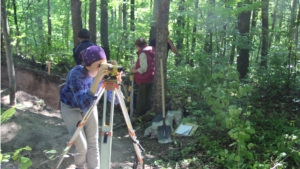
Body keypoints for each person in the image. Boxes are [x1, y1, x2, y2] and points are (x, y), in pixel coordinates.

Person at [60, 45, 120, 169]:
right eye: (98, 66)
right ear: (87, 66)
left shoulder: (104, 74)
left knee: (93, 142)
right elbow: (83, 104)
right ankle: (80, 167)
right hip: (71, 107)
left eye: (103, 65)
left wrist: (115, 82)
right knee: (82, 146)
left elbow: (114, 101)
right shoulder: (76, 74)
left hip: (90, 106)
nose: (102, 69)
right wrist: (97, 79)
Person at [130, 38, 155, 117]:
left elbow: (144, 68)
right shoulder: (151, 51)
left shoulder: (143, 53)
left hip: (143, 79)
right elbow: (148, 64)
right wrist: (136, 66)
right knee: (148, 97)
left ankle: (139, 115)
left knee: (141, 98)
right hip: (151, 77)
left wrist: (134, 70)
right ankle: (147, 113)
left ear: (138, 45)